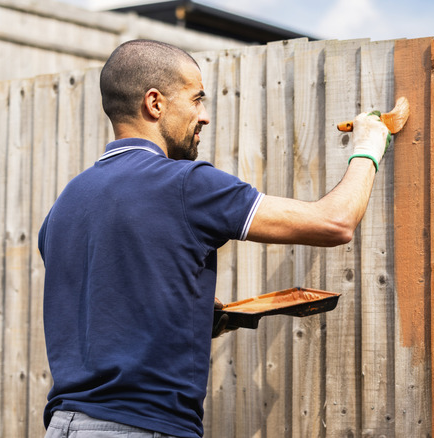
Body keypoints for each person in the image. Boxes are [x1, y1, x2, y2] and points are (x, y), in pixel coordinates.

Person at [39, 39, 390, 438]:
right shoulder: (187, 184)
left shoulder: (65, 204)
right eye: (196, 99)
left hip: (64, 426)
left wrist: (196, 317)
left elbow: (106, 300)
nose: (204, 116)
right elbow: (335, 223)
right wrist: (368, 146)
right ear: (155, 104)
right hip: (141, 427)